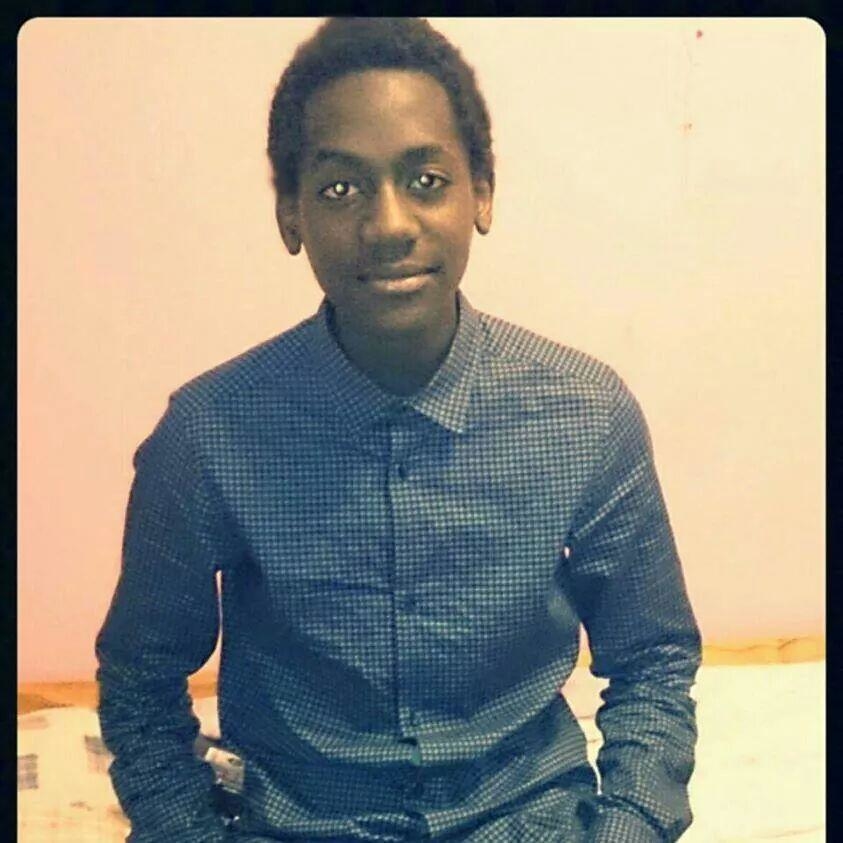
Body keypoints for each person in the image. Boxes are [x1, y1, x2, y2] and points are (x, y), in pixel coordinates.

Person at [96, 17, 701, 843]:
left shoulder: (586, 413)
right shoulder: (207, 436)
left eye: (425, 179)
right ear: (289, 214)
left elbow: (653, 664)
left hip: (530, 819)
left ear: (481, 192)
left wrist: (624, 827)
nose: (388, 224)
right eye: (340, 189)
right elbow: (139, 687)